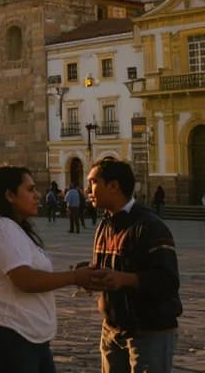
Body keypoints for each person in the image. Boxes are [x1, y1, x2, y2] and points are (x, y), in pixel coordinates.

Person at [0, 165, 106, 372]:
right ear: (9, 195)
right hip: (7, 335)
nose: (38, 195)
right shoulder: (0, 227)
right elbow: (25, 280)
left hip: (24, 335)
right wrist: (74, 277)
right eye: (30, 190)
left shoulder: (12, 227)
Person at [87, 159, 182, 372]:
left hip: (149, 330)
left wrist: (125, 279)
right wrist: (90, 273)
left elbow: (167, 280)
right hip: (112, 328)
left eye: (93, 182)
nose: (87, 189)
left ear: (113, 186)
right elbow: (108, 266)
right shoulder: (105, 224)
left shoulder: (149, 226)